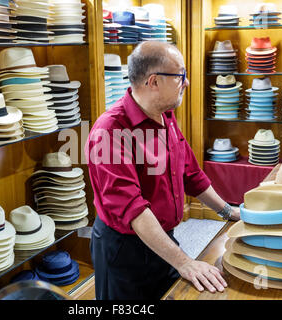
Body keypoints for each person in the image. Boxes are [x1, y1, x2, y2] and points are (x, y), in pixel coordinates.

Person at [84, 41, 240, 300]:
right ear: (153, 81)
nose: (186, 83)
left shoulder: (165, 116)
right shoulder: (109, 131)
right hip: (125, 251)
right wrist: (184, 262)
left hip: (162, 239)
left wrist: (228, 211)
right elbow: (134, 210)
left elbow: (190, 173)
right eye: (181, 76)